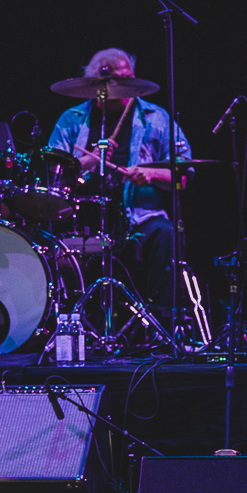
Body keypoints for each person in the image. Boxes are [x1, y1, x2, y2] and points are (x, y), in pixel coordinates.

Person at [47, 47, 191, 309]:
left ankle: (163, 327)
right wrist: (89, 160)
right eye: (121, 81)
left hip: (140, 220)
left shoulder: (156, 118)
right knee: (54, 251)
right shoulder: (71, 121)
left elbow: (183, 174)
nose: (130, 86)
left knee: (167, 235)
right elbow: (51, 177)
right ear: (99, 85)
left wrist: (150, 174)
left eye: (131, 78)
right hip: (82, 223)